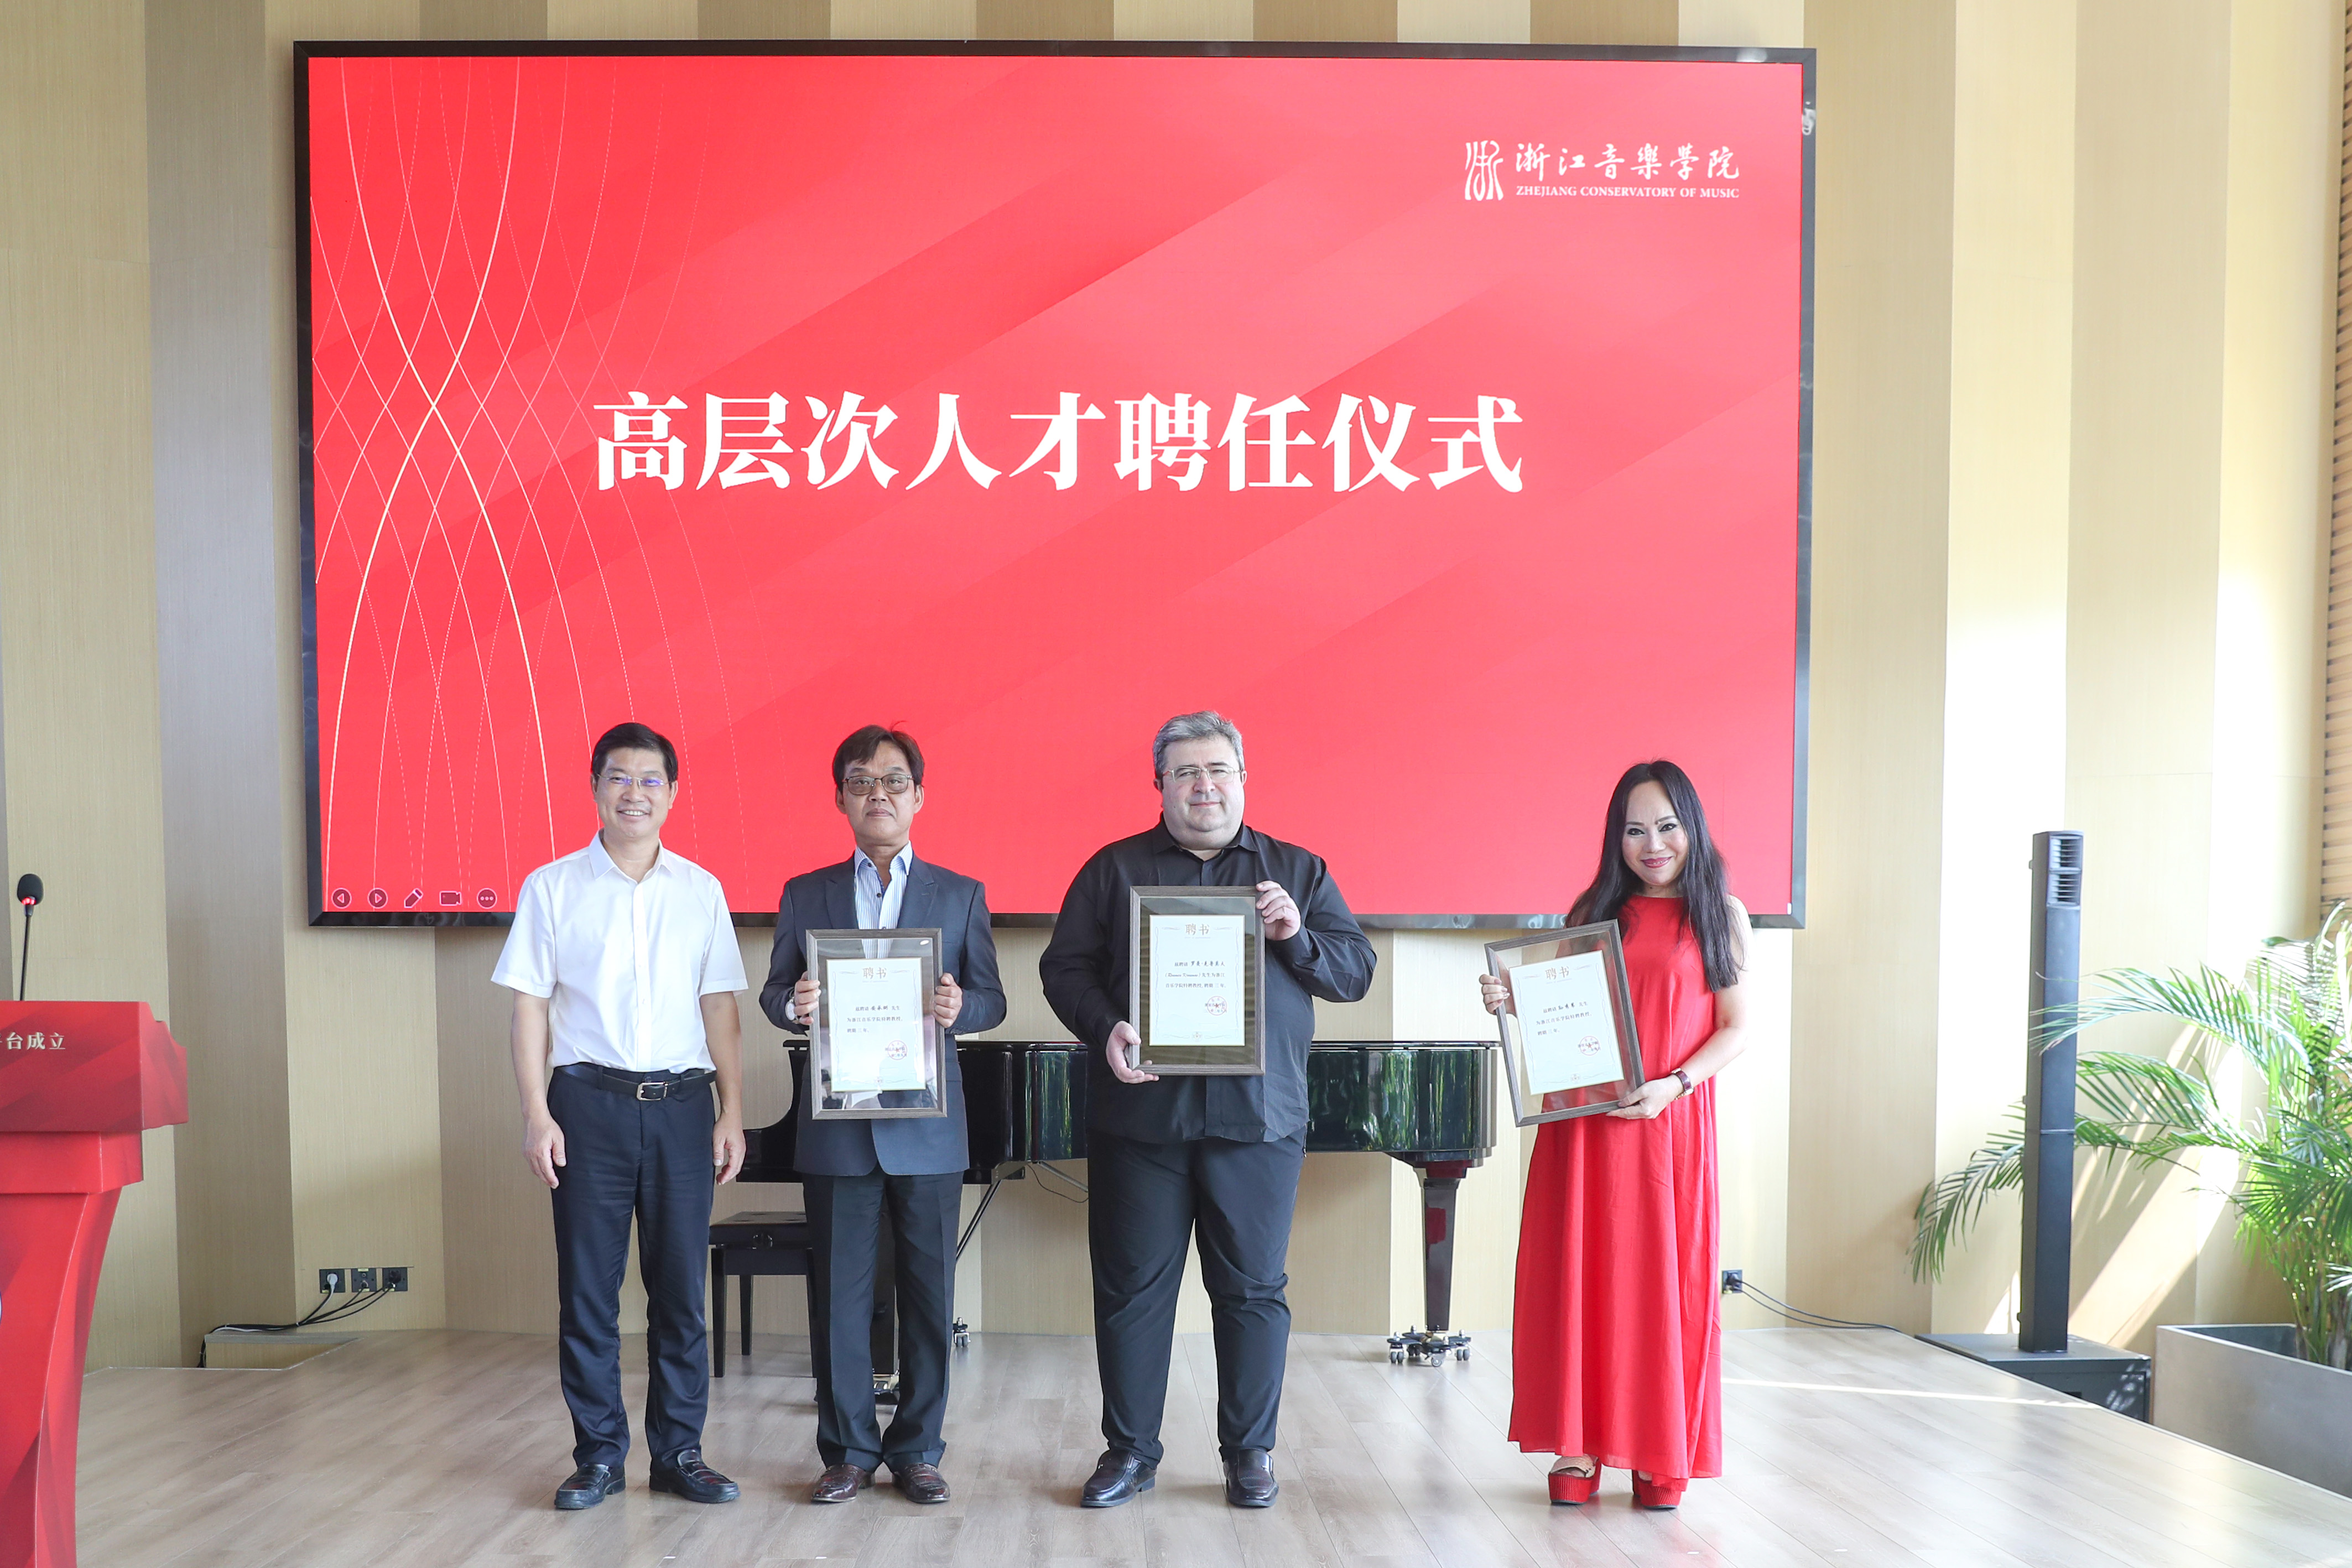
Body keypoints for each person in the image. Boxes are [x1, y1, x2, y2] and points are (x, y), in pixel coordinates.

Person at [1040, 710, 1376, 1510]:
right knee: (1131, 1291)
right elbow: (1064, 970)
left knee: (1254, 1291)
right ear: (1159, 785)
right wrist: (1105, 1025)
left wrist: (1296, 935)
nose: (1204, 786)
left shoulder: (1297, 871)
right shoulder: (1112, 870)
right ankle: (1130, 1452)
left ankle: (1249, 1454)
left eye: (1219, 770)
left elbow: (1354, 972)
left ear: (1243, 780)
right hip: (1141, 1121)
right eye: (1186, 772)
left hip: (1259, 1122)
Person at [1479, 759, 1750, 1511]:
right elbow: (1565, 1020)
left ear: (1692, 828)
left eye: (1666, 826)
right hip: (1585, 1132)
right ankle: (1578, 1443)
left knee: (1663, 1284)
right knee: (1582, 1276)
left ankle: (1661, 1450)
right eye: (1635, 830)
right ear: (1615, 839)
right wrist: (1512, 999)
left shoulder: (1720, 913)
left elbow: (1737, 1029)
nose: (1652, 845)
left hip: (1669, 1128)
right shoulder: (1594, 911)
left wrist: (1675, 1086)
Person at [495, 722, 749, 1512]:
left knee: (680, 1296)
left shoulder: (702, 890)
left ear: (672, 794)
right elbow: (530, 1009)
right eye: (619, 778)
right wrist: (537, 1114)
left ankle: (679, 1455)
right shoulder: (551, 888)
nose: (634, 793)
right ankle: (599, 1457)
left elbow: (720, 1008)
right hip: (586, 1109)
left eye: (650, 780)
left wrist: (733, 1112)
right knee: (588, 1296)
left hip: (682, 1109)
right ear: (595, 789)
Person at [759, 726, 1005, 1507]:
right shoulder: (806, 893)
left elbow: (993, 999)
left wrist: (963, 1007)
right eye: (862, 781)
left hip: (927, 1129)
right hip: (838, 1126)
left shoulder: (960, 894)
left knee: (930, 1298)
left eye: (894, 781)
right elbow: (773, 993)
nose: (879, 794)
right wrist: (794, 1004)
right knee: (839, 1299)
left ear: (919, 797)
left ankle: (919, 1451)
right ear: (841, 799)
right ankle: (847, 1453)